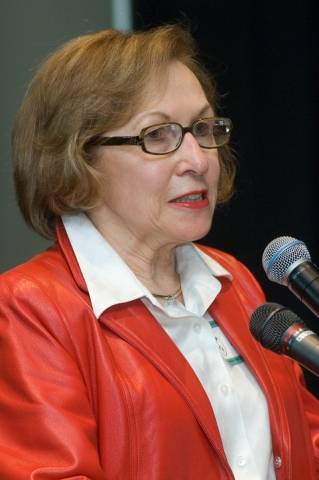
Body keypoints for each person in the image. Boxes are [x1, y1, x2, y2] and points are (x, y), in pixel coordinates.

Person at [0, 24, 319, 480]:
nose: (198, 159)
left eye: (203, 129)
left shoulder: (231, 279)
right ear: (78, 159)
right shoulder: (29, 308)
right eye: (158, 135)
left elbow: (306, 442)